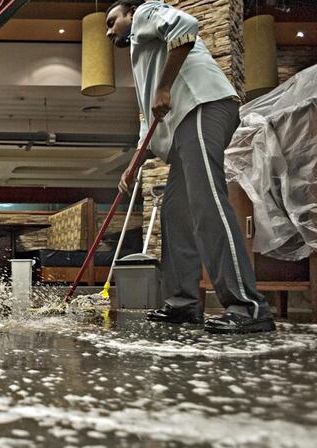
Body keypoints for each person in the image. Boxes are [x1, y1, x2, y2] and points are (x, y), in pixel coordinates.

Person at [106, 0, 274, 334]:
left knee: (206, 202)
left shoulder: (146, 14)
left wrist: (166, 86)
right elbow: (146, 122)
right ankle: (182, 304)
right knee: (175, 212)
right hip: (186, 121)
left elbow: (185, 27)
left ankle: (247, 306)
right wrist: (133, 166)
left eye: (112, 21)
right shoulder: (142, 55)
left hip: (202, 106)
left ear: (129, 13)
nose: (110, 31)